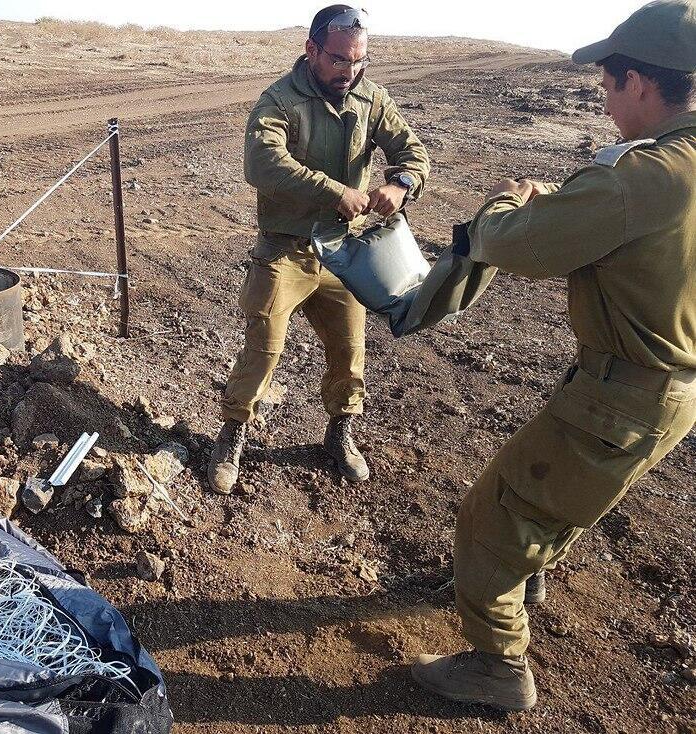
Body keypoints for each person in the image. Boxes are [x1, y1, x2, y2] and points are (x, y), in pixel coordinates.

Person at [412, 0, 696, 711]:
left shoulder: (644, 175)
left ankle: (498, 666)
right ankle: (524, 573)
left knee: (489, 517)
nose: (603, 99)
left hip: (621, 396)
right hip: (666, 393)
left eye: (608, 84)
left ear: (640, 84)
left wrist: (506, 203)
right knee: (553, 501)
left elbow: (517, 243)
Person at [208, 5, 430, 494]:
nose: (349, 71)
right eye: (339, 59)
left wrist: (401, 185)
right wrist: (335, 192)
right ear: (311, 50)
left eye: (359, 60)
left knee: (350, 351)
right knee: (264, 347)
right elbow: (263, 163)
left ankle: (339, 433)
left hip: (344, 253)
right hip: (286, 250)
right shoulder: (279, 100)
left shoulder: (371, 98)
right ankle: (233, 433)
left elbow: (413, 152)